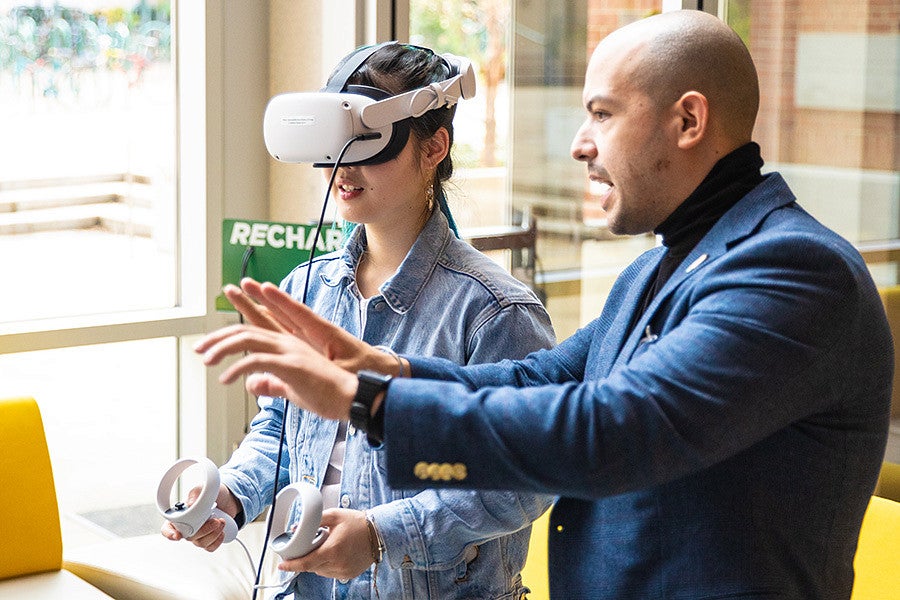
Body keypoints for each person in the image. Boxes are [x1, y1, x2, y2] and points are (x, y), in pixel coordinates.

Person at [196, 11, 894, 600]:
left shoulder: (795, 270)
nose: (579, 143)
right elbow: (541, 381)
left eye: (603, 114)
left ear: (688, 120)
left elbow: (615, 428)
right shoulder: (660, 267)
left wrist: (372, 404)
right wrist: (383, 370)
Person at [164, 42, 556, 600]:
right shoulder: (308, 289)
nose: (339, 170)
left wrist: (380, 535)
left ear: (433, 148)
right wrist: (230, 495)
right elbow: (280, 429)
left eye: (366, 146)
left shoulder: (494, 312)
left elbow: (517, 482)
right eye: (332, 147)